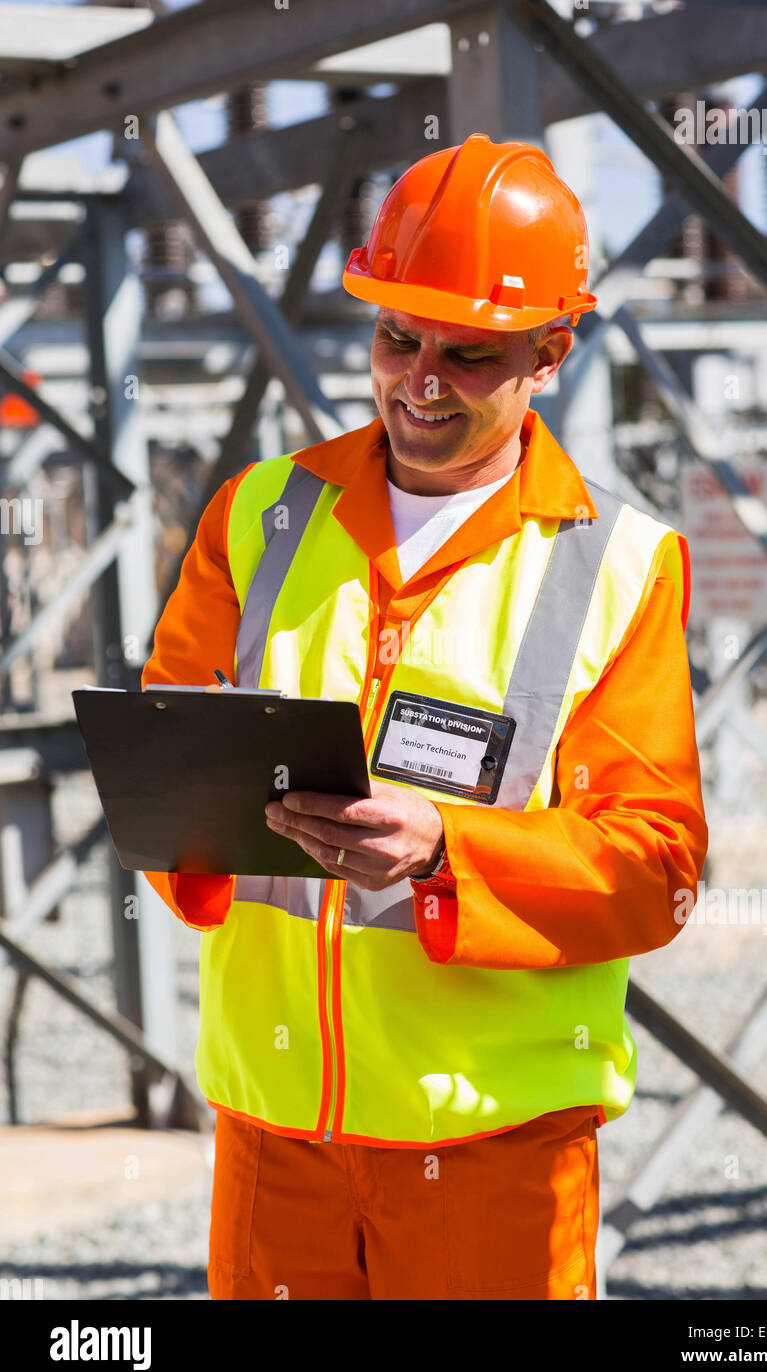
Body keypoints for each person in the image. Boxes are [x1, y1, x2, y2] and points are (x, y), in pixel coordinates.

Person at [141, 132, 708, 1301]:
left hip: (495, 1155)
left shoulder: (618, 562)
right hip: (275, 1134)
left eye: (470, 352)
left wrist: (450, 849)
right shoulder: (259, 516)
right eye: (395, 338)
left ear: (550, 352)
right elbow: (161, 778)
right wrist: (201, 833)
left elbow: (655, 868)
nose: (419, 380)